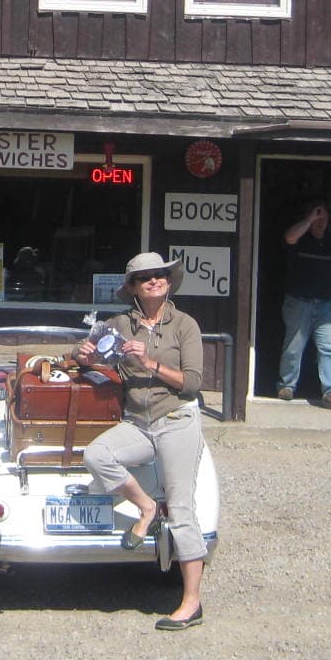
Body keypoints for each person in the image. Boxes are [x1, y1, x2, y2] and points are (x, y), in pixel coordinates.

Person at [76, 252, 208, 631]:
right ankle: (147, 508)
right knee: (98, 454)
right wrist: (81, 354)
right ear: (133, 287)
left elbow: (194, 383)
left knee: (182, 506)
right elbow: (86, 356)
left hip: (176, 419)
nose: (155, 281)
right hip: (137, 422)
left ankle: (191, 602)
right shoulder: (119, 324)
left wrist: (150, 362)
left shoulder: (185, 325)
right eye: (145, 277)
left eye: (161, 275)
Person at [277, 198, 331, 410]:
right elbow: (289, 237)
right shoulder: (300, 237)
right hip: (299, 301)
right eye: (317, 216)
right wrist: (309, 219)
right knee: (294, 347)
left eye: (324, 217)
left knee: (330, 348)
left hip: (326, 303)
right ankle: (286, 385)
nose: (321, 221)